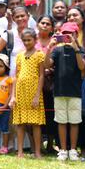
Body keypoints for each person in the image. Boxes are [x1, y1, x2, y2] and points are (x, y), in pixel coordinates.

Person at [43, 22, 85, 161]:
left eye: (70, 34)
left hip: (75, 92)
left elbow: (81, 67)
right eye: (65, 34)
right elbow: (46, 64)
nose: (67, 36)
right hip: (59, 91)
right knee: (61, 121)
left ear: (76, 34)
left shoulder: (80, 49)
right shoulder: (57, 50)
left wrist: (76, 48)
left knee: (74, 122)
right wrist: (49, 47)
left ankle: (73, 150)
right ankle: (62, 149)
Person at [9, 28, 45, 158]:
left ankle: (37, 152)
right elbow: (16, 76)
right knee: (20, 123)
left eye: (29, 40)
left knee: (35, 123)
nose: (27, 42)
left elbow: (41, 76)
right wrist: (13, 96)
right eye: (24, 40)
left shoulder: (39, 54)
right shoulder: (19, 55)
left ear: (35, 40)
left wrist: (37, 95)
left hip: (34, 91)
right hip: (21, 91)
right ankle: (20, 152)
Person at [35, 15, 57, 153]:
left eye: (48, 24)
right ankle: (37, 145)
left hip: (51, 83)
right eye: (42, 23)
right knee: (37, 114)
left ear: (52, 28)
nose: (45, 25)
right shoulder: (32, 40)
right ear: (37, 24)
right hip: (35, 82)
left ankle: (50, 144)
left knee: (50, 113)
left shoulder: (55, 42)